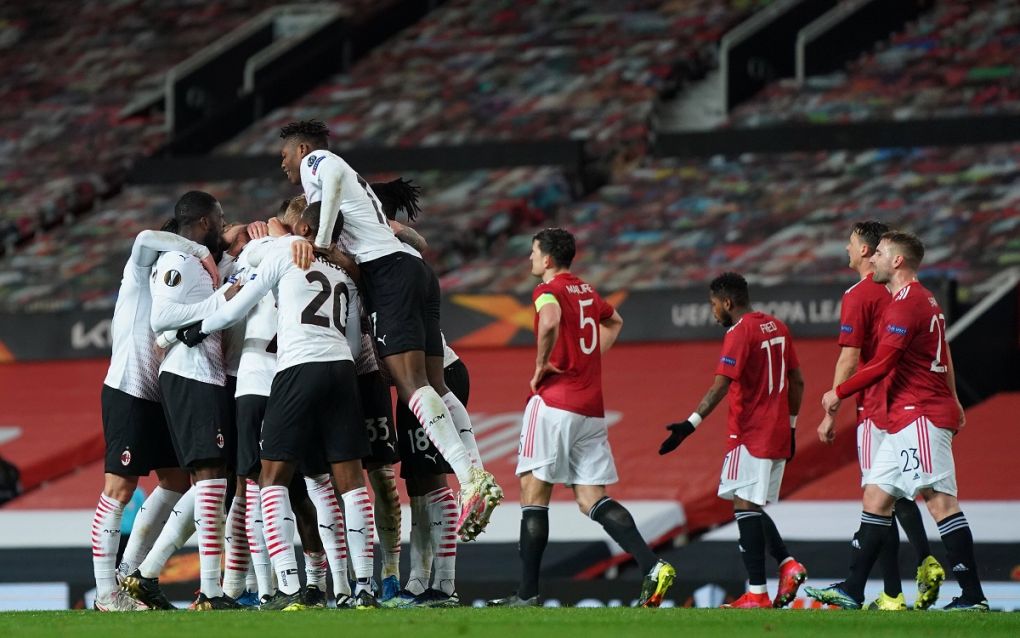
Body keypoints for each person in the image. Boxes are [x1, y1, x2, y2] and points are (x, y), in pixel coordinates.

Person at [278, 121, 500, 539]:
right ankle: (478, 475)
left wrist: (323, 241)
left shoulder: (318, 163)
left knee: (411, 384)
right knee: (437, 385)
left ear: (303, 148)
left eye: (286, 154)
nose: (284, 163)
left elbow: (334, 172)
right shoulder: (352, 194)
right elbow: (408, 236)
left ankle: (470, 480)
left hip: (389, 274)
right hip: (414, 270)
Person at [178, 201, 376, 610]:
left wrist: (193, 331)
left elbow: (234, 306)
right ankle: (363, 590)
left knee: (269, 477)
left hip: (295, 368)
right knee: (350, 482)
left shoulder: (281, 252)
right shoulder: (346, 274)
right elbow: (356, 345)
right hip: (342, 369)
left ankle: (285, 587)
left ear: (302, 225)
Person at [489, 228, 675, 608]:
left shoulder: (547, 291)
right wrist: (587, 361)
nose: (529, 259)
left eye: (533, 252)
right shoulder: (587, 291)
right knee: (592, 497)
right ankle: (652, 566)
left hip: (555, 404)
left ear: (548, 260)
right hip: (590, 408)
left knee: (533, 495)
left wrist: (542, 364)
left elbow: (551, 321)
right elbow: (615, 321)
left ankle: (527, 593)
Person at [808, 231, 989, 611]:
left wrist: (837, 393)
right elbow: (942, 354)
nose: (874, 259)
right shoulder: (918, 300)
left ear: (898, 262)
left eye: (882, 254)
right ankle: (854, 590)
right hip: (903, 416)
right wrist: (955, 398)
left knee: (940, 502)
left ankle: (973, 596)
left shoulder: (907, 303)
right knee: (876, 497)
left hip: (918, 412)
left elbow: (883, 363)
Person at [121, 191, 241, 611]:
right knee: (210, 479)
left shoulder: (199, 264)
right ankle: (208, 592)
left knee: (214, 480)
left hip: (202, 374)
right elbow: (162, 317)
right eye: (221, 218)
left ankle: (147, 574)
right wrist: (223, 299)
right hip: (190, 374)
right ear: (205, 222)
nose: (225, 225)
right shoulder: (179, 262)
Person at [817, 221, 944, 611]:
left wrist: (831, 409)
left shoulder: (859, 294)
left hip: (875, 404)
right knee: (898, 492)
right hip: (907, 401)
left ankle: (891, 591)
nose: (846, 250)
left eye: (852, 244)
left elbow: (850, 356)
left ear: (869, 252)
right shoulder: (901, 293)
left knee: (878, 495)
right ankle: (922, 563)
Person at [660, 272, 806, 609]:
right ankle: (787, 565)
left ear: (727, 302)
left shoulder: (739, 333)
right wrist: (793, 426)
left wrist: (689, 424)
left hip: (750, 433)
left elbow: (720, 385)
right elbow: (797, 380)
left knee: (744, 507)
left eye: (714, 305)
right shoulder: (777, 326)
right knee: (747, 504)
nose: (713, 312)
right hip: (777, 430)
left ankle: (758, 593)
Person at [91, 228, 216, 611]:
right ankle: (106, 594)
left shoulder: (175, 285)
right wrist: (196, 249)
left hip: (157, 395)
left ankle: (129, 571)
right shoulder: (140, 270)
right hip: (128, 387)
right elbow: (145, 236)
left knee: (177, 479)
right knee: (119, 487)